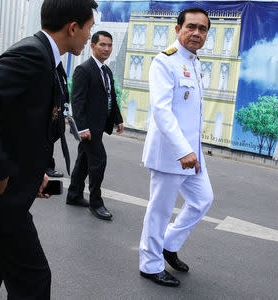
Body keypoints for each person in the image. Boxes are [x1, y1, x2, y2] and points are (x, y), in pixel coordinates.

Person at [0, 0, 97, 298]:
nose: (89, 36)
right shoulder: (33, 54)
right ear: (73, 27)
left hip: (4, 195)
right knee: (33, 281)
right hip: (1, 197)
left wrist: (39, 172)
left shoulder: (46, 56)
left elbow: (23, 122)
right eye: (88, 29)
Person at [139, 7, 213, 287]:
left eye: (202, 29)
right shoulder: (165, 62)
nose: (196, 33)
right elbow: (162, 111)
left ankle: (168, 244)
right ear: (177, 28)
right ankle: (150, 264)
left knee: (202, 199)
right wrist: (183, 150)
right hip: (171, 153)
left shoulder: (194, 62)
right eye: (191, 27)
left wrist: (192, 150)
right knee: (159, 210)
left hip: (191, 153)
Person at [66, 31, 124, 220]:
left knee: (84, 160)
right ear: (93, 46)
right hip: (89, 128)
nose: (106, 49)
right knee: (98, 161)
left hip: (99, 125)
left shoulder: (106, 70)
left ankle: (74, 195)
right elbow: (77, 100)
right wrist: (82, 128)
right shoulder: (84, 69)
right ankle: (96, 203)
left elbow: (111, 97)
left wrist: (118, 118)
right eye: (102, 45)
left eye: (109, 45)